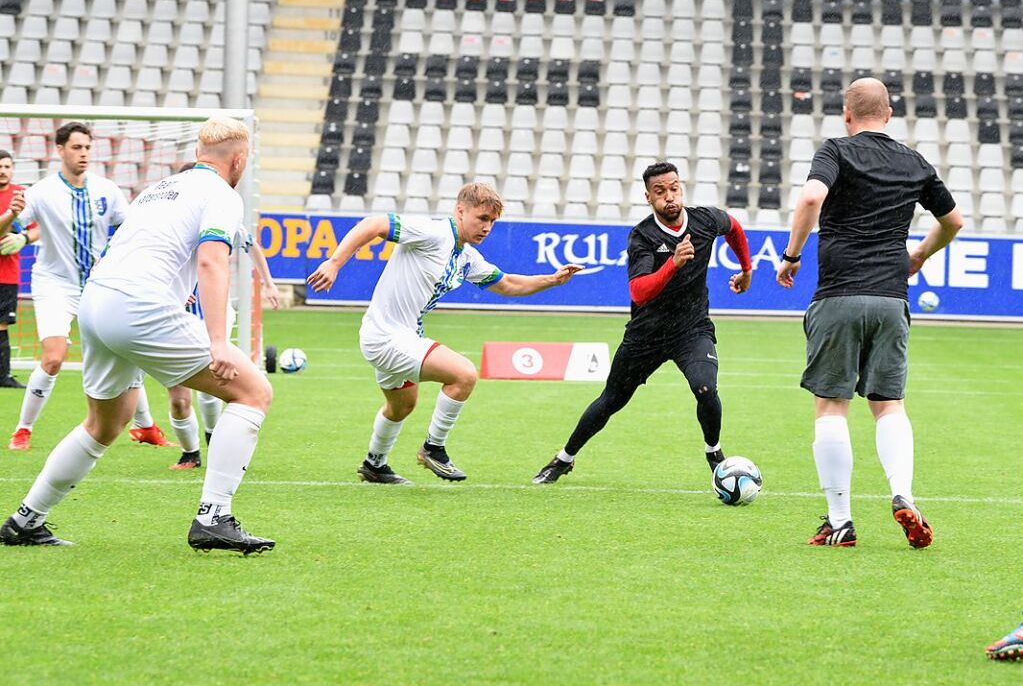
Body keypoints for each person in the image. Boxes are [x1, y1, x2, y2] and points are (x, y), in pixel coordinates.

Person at [0, 116, 275, 553]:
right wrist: (218, 340)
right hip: (140, 307)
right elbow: (211, 261)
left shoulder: (160, 188)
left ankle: (25, 520)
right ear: (239, 160)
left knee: (104, 424)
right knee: (253, 392)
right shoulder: (221, 193)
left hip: (97, 301)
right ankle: (214, 517)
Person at [775, 78, 963, 549]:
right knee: (888, 404)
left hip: (839, 294)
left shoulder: (836, 151)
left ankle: (840, 520)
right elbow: (953, 221)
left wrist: (793, 255)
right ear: (890, 113)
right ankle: (904, 494)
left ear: (847, 114)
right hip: (890, 298)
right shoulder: (913, 161)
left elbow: (811, 199)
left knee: (831, 406)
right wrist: (918, 255)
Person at [307, 182, 583, 485]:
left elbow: (507, 285)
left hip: (401, 336)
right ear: (460, 211)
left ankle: (374, 465)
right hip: (386, 337)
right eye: (482, 218)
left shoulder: (466, 257)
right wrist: (334, 263)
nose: (487, 227)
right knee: (464, 374)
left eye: (492, 221)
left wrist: (552, 280)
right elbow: (374, 224)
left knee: (402, 405)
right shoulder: (432, 232)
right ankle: (433, 449)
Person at [532, 161, 753, 485]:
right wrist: (673, 264)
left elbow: (733, 227)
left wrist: (746, 269)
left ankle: (714, 452)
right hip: (646, 334)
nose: (670, 197)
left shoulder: (705, 220)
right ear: (648, 197)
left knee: (705, 388)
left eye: (674, 188)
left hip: (691, 329)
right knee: (611, 400)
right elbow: (639, 291)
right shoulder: (643, 237)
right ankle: (564, 458)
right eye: (660, 191)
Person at [0, 123, 170, 451]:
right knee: (53, 358)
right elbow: (8, 229)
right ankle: (23, 430)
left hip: (99, 285)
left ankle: (146, 427)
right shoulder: (42, 191)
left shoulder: (107, 190)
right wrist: (10, 215)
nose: (83, 154)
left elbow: (130, 230)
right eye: (77, 148)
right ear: (60, 150)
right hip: (55, 285)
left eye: (87, 148)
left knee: (124, 349)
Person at [165, 164, 281, 471]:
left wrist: (268, 283)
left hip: (213, 313)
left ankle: (213, 439)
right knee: (177, 397)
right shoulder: (167, 226)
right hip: (173, 313)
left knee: (212, 379)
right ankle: (190, 452)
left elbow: (251, 245)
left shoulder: (219, 218)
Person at [0, 150, 37, 389]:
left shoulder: (20, 195)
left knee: (1, 324)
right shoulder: (13, 203)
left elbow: (39, 228)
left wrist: (23, 238)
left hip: (7, 274)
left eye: (6, 166)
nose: (2, 171)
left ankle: (3, 376)